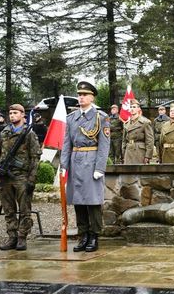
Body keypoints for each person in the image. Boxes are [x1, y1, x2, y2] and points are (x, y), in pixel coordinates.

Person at [60, 81, 111, 253]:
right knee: (78, 201)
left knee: (93, 201)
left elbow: (104, 145)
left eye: (84, 95)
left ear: (92, 97)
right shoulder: (72, 118)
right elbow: (67, 143)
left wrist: (100, 168)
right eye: (79, 95)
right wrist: (63, 165)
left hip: (91, 161)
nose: (81, 97)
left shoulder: (101, 117)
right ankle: (83, 235)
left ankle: (94, 235)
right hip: (75, 161)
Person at [0, 104, 42, 251]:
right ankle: (12, 237)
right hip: (5, 177)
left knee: (25, 209)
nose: (12, 115)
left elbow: (35, 158)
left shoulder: (29, 134)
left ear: (22, 115)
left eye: (15, 113)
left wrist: (31, 180)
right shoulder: (4, 133)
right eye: (10, 113)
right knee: (9, 209)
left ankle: (22, 237)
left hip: (21, 177)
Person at [122, 100, 154, 164]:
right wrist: (123, 152)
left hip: (140, 152)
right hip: (128, 151)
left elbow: (150, 140)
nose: (132, 109)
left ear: (138, 109)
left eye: (134, 107)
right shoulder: (126, 123)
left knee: (139, 172)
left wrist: (148, 156)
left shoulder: (145, 122)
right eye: (131, 107)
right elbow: (124, 140)